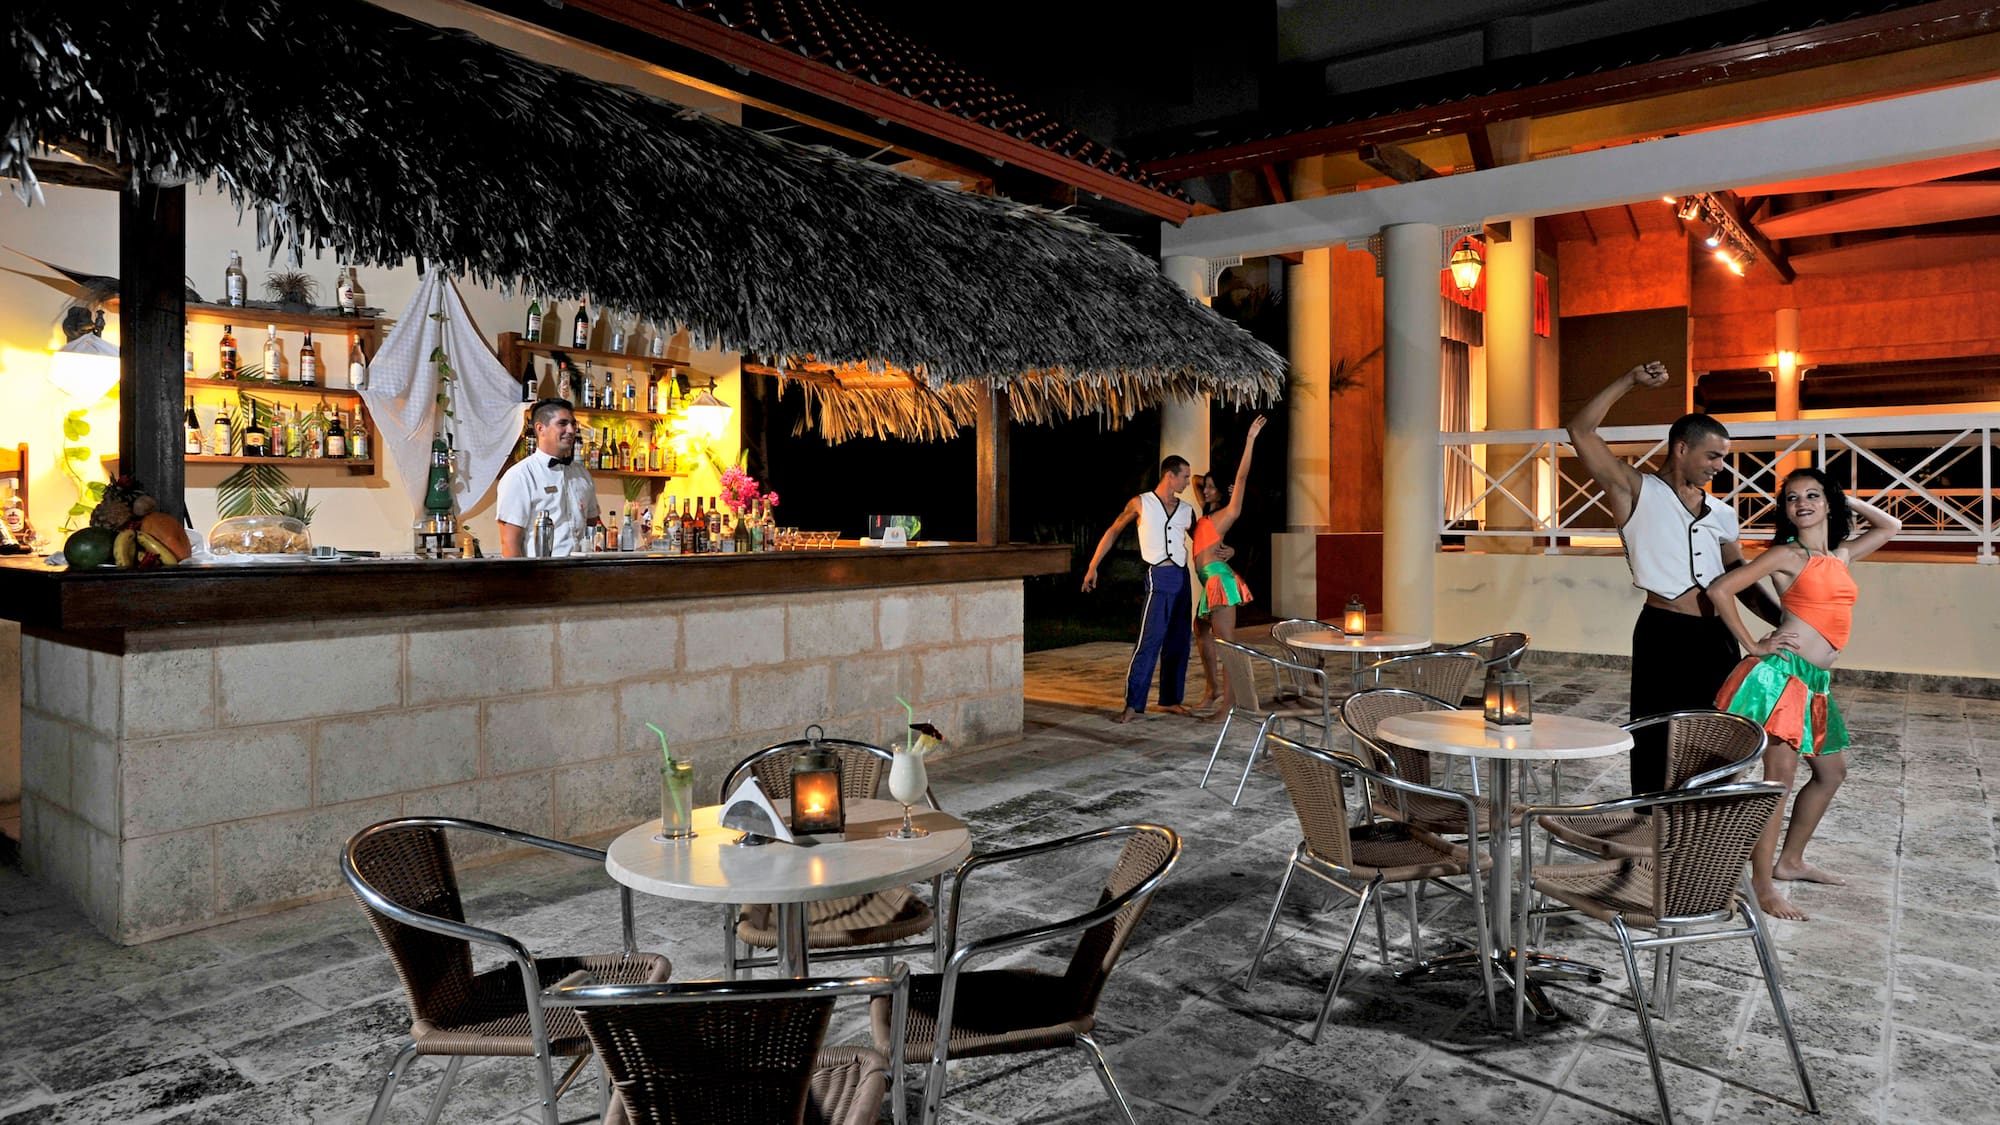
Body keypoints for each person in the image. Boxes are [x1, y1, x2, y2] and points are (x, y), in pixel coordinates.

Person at [1567, 361, 1783, 793]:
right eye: (1713, 455)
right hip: (1664, 633)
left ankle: (1699, 821)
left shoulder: (1721, 513)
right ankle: (1649, 826)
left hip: (1717, 635)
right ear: (1682, 448)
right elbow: (1580, 431)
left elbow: (1738, 576)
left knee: (1718, 730)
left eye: (1724, 457)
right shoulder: (1636, 490)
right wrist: (1628, 380)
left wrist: (1786, 621)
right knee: (1655, 733)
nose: (1721, 465)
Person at [1706, 468, 1899, 920]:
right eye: (1792, 499)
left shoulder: (1842, 556)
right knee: (1779, 781)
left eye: (1812, 496)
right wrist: (1753, 644)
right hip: (1782, 677)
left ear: (1829, 504)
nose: (1802, 504)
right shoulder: (1786, 556)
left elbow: (1892, 526)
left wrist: (1841, 498)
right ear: (1786, 511)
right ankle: (1762, 887)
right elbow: (1720, 590)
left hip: (1815, 682)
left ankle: (1790, 862)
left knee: (1831, 772)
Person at [1083, 454, 1196, 723]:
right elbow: (1113, 531)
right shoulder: (1141, 503)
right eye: (1185, 477)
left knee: (1179, 641)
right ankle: (1133, 704)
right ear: (1170, 475)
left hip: (1181, 576)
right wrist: (1093, 566)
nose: (1189, 482)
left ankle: (1170, 700)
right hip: (1158, 575)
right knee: (1150, 640)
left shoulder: (1186, 509)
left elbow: (1204, 540)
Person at [496, 398, 597, 557]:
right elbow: (509, 543)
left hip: (582, 574)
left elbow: (594, 526)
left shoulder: (582, 474)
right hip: (541, 575)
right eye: (562, 424)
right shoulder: (520, 476)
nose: (571, 430)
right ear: (540, 428)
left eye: (573, 424)